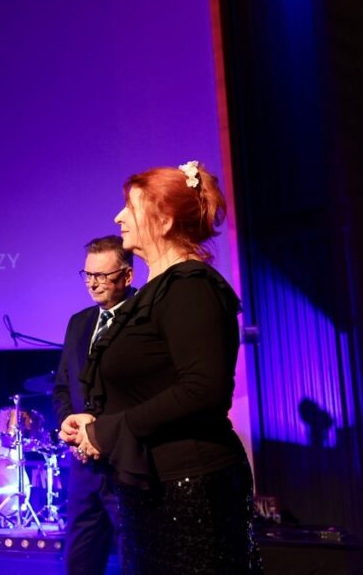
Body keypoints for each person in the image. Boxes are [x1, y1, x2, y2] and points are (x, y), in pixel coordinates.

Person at [62, 161, 261, 573]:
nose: (118, 217)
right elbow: (149, 385)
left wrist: (109, 430)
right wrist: (90, 420)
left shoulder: (191, 286)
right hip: (154, 486)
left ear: (165, 220)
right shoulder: (151, 294)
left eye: (130, 208)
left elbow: (203, 390)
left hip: (189, 489)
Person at [51, 235, 133, 575]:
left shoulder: (143, 319)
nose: (93, 284)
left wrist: (100, 433)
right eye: (87, 275)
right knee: (79, 563)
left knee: (136, 559)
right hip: (84, 471)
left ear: (127, 276)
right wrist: (70, 423)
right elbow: (62, 388)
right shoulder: (79, 322)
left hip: (126, 466)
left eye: (102, 276)